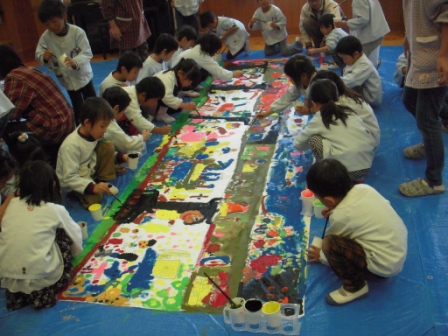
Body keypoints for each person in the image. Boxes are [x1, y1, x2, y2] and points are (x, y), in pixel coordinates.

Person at [306, 158, 407, 306]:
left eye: (319, 198)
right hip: (396, 251)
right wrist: (337, 209)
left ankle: (355, 287)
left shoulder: (342, 216)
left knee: (330, 244)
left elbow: (332, 243)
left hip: (383, 267)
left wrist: (321, 256)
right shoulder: (364, 189)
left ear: (329, 200)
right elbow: (363, 211)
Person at [0, 160, 83, 311]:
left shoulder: (11, 204)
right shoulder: (54, 209)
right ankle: (41, 292)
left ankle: (22, 296)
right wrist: (73, 256)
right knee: (62, 232)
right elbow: (76, 239)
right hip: (43, 281)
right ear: (52, 186)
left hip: (9, 280)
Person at [398, 0, 448, 197]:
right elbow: (413, 11)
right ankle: (431, 142)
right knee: (409, 100)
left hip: (436, 57)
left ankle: (434, 182)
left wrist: (444, 56)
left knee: (427, 119)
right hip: (421, 52)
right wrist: (407, 36)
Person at [0, 45, 74, 165]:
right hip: (67, 122)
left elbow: (10, 113)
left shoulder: (15, 78)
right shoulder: (27, 70)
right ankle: (49, 154)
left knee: (8, 130)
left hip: (55, 128)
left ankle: (28, 164)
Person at [293, 79, 375, 182]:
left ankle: (331, 176)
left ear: (313, 103)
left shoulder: (320, 117)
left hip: (345, 173)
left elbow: (298, 144)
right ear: (338, 98)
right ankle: (356, 178)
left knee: (314, 139)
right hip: (367, 166)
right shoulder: (349, 111)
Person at [56, 98, 128, 208]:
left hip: (88, 169)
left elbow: (102, 151)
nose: (104, 130)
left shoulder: (94, 133)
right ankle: (87, 191)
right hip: (74, 182)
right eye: (102, 126)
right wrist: (92, 188)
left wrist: (121, 157)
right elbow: (69, 177)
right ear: (87, 123)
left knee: (107, 144)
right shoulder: (71, 146)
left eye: (106, 127)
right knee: (95, 199)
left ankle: (104, 181)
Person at [36, 0, 96, 123]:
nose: (52, 26)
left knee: (92, 103)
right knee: (77, 106)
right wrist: (45, 56)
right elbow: (39, 53)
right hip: (66, 78)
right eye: (47, 24)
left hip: (83, 75)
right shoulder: (46, 37)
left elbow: (87, 52)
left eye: (54, 21)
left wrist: (75, 61)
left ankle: (97, 122)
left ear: (64, 16)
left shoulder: (77, 32)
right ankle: (81, 128)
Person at [313, 70, 380, 149]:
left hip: (367, 143)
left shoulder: (341, 103)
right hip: (368, 140)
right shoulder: (344, 95)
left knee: (316, 138)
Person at [394, 53, 448, 133]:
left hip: (433, 79)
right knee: (433, 99)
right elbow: (402, 69)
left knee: (440, 95)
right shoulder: (408, 55)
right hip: (415, 81)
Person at [171, 33, 244, 87]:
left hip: (178, 74)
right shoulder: (200, 54)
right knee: (206, 71)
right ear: (211, 48)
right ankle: (188, 88)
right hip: (178, 80)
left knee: (205, 70)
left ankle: (191, 87)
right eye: (215, 50)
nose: (215, 53)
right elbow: (216, 70)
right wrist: (233, 74)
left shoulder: (199, 48)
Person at [257, 55, 317, 119]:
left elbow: (326, 108)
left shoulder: (318, 86)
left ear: (303, 76)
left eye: (291, 78)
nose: (289, 80)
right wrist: (266, 113)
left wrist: (310, 111)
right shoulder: (301, 82)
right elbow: (287, 97)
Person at [334, 0, 389, 68]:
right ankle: (374, 66)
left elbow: (363, 19)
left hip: (370, 35)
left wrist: (345, 24)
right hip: (376, 31)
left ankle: (370, 71)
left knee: (360, 61)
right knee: (371, 59)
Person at [336, 36, 382, 106]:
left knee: (340, 90)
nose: (343, 61)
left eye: (344, 58)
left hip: (370, 98)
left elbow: (350, 81)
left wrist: (332, 81)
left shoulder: (365, 65)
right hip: (361, 89)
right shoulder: (354, 59)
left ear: (356, 54)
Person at [102, 86, 149, 153]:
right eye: (123, 111)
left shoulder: (103, 114)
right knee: (136, 151)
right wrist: (143, 137)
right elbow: (127, 144)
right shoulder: (110, 125)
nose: (123, 114)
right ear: (116, 109)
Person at [154, 59, 201, 123]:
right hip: (155, 101)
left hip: (165, 95)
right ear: (180, 73)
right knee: (177, 108)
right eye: (189, 80)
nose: (190, 83)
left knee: (178, 105)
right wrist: (184, 105)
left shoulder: (175, 76)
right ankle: (161, 114)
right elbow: (166, 97)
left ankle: (182, 93)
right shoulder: (169, 79)